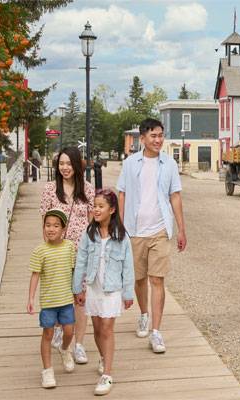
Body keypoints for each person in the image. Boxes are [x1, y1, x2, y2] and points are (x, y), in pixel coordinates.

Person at [117, 118, 187, 354]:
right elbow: (122, 194)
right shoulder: (129, 164)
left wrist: (181, 229)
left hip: (160, 230)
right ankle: (144, 314)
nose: (158, 140)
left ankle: (156, 332)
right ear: (143, 138)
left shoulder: (169, 164)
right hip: (135, 231)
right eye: (153, 136)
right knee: (139, 279)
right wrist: (120, 226)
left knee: (157, 279)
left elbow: (175, 196)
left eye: (161, 135)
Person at [73, 189, 135, 396]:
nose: (96, 210)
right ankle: (103, 357)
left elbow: (128, 267)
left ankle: (107, 374)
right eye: (95, 206)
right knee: (98, 329)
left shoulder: (122, 237)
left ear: (112, 209)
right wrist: (77, 288)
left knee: (107, 328)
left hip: (112, 289)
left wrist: (128, 293)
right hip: (93, 287)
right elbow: (80, 262)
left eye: (101, 206)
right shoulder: (88, 234)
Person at [39, 147, 95, 365]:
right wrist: (47, 250)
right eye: (61, 164)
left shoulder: (88, 190)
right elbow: (44, 221)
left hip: (81, 252)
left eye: (68, 164)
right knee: (60, 296)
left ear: (76, 165)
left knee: (80, 299)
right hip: (58, 252)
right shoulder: (50, 189)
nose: (65, 168)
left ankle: (79, 344)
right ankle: (62, 332)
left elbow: (92, 222)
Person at [27, 209, 77, 389]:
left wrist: (78, 292)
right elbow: (35, 275)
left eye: (56, 225)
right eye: (48, 225)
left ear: (63, 229)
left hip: (66, 301)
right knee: (47, 334)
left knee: (69, 331)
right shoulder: (40, 251)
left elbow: (74, 272)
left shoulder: (70, 247)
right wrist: (31, 298)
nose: (51, 229)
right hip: (48, 303)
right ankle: (47, 371)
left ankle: (64, 349)